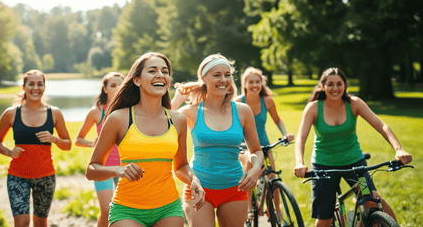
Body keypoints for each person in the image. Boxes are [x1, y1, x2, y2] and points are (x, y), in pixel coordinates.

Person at [86, 52, 205, 227]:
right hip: (127, 209)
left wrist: (194, 180)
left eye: (165, 71)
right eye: (152, 70)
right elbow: (91, 169)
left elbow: (181, 166)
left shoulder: (177, 120)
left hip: (168, 207)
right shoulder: (119, 118)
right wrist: (118, 170)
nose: (160, 75)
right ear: (137, 80)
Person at [293, 67, 413, 227]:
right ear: (322, 86)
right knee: (324, 220)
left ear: (345, 85)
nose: (335, 88)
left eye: (339, 84)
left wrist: (399, 149)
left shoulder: (354, 104)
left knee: (373, 202)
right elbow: (301, 138)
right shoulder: (314, 108)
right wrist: (299, 162)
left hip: (355, 165)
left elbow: (381, 125)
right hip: (323, 168)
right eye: (330, 84)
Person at [171, 54, 264, 227]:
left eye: (227, 75)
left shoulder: (243, 111)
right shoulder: (189, 112)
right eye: (217, 75)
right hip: (198, 189)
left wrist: (255, 168)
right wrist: (176, 101)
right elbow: (162, 125)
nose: (224, 80)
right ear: (204, 79)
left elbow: (256, 150)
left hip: (235, 189)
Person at [0, 69, 72, 227]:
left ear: (44, 87)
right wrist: (8, 152)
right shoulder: (11, 113)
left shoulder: (54, 113)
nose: (35, 88)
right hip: (17, 176)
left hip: (45, 176)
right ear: (23, 87)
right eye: (31, 84)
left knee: (40, 222)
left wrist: (54, 139)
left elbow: (68, 144)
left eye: (39, 84)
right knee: (22, 222)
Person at [232, 66, 293, 225]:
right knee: (250, 174)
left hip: (264, 145)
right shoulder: (237, 102)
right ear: (244, 83)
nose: (254, 85)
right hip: (244, 147)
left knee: (273, 177)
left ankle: (277, 212)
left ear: (262, 83)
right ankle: (247, 212)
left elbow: (277, 120)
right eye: (250, 81)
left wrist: (284, 133)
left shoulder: (267, 100)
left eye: (257, 81)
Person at [75, 72, 125, 227]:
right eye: (113, 85)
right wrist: (91, 143)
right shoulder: (96, 112)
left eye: (121, 84)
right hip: (102, 167)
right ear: (105, 88)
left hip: (125, 167)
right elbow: (78, 139)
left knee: (124, 212)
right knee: (106, 210)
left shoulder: (129, 110)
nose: (117, 88)